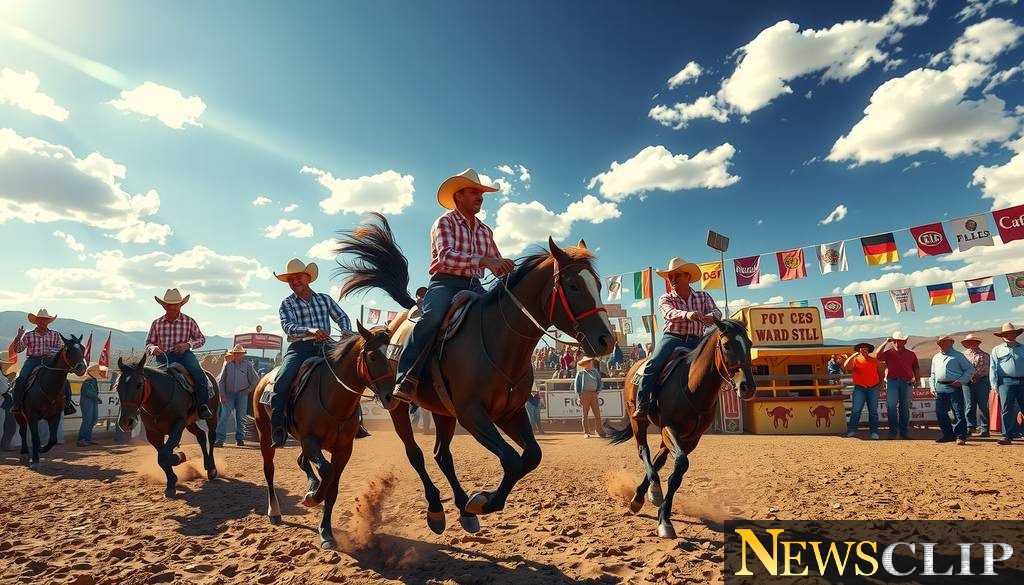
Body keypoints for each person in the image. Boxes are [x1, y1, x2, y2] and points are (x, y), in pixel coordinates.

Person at [393, 169, 513, 403]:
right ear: (458, 196)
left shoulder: (485, 231)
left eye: (481, 193)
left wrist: (508, 271)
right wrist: (484, 261)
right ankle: (406, 376)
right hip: (444, 283)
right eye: (474, 192)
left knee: (500, 318)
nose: (480, 197)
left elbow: (496, 262)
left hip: (475, 285)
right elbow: (446, 256)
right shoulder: (444, 222)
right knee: (432, 318)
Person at [273, 258, 353, 448]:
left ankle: (356, 423)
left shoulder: (324, 299)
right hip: (300, 348)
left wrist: (346, 331)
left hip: (326, 345)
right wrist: (310, 331)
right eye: (290, 279)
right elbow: (288, 327)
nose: (294, 282)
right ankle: (278, 428)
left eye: (298, 277)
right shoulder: (287, 303)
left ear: (308, 278)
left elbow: (341, 316)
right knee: (282, 381)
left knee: (350, 372)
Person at [633, 258, 721, 418]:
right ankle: (643, 404)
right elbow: (669, 313)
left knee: (715, 365)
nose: (672, 279)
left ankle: (711, 406)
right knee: (653, 363)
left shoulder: (703, 296)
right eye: (670, 276)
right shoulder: (666, 298)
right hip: (672, 338)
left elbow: (717, 312)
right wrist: (688, 314)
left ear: (688, 277)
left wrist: (711, 317)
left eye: (677, 275)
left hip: (697, 340)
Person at [10, 309, 75, 416]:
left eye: (45, 320)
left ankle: (68, 404)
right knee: (21, 378)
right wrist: (19, 336)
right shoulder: (29, 335)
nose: (42, 322)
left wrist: (51, 352)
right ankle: (17, 404)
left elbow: (60, 349)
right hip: (33, 360)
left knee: (64, 380)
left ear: (48, 322)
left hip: (50, 360)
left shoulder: (55, 334)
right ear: (36, 321)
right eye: (40, 320)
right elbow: (18, 349)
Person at [874, 331, 920, 440]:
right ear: (892, 341)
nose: (897, 343)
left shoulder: (911, 354)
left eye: (900, 341)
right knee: (891, 406)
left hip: (906, 382)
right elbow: (878, 355)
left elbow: (916, 368)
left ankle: (904, 432)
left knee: (904, 407)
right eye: (895, 341)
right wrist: (885, 342)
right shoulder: (888, 353)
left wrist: (917, 380)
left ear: (904, 341)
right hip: (892, 381)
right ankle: (893, 431)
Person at [930, 334, 974, 445]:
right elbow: (933, 374)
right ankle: (948, 434)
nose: (941, 345)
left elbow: (970, 369)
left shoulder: (958, 356)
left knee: (958, 412)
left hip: (954, 386)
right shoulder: (936, 357)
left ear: (951, 343)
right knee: (940, 412)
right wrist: (932, 386)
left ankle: (960, 436)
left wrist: (961, 381)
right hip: (940, 387)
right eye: (939, 343)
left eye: (944, 342)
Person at [215, 344, 259, 447]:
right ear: (233, 354)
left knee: (241, 417)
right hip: (229, 394)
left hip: (242, 394)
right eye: (236, 353)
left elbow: (255, 379)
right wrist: (222, 395)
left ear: (242, 354)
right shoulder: (227, 365)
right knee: (224, 416)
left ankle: (240, 439)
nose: (238, 355)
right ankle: (220, 439)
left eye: (240, 353)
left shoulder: (247, 365)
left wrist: (248, 390)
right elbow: (221, 381)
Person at [990, 323, 1024, 445]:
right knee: (1006, 409)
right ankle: (1007, 435)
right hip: (1005, 382)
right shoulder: (996, 350)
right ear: (1002, 336)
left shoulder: (1023, 348)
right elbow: (993, 368)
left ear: (1016, 334)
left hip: (1023, 381)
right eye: (1006, 334)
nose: (1009, 335)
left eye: (1011, 333)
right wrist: (994, 385)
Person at [843, 342, 882, 439]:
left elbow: (881, 373)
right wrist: (853, 355)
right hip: (860, 388)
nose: (863, 350)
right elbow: (845, 366)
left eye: (865, 348)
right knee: (856, 410)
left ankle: (874, 432)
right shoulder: (855, 360)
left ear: (868, 350)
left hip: (873, 387)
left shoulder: (874, 361)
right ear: (858, 350)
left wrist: (880, 385)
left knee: (873, 411)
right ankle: (852, 431)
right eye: (861, 348)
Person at [961, 334, 991, 438]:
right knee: (969, 405)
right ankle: (970, 427)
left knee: (983, 405)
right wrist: (968, 377)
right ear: (967, 344)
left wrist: (975, 377)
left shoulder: (984, 355)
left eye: (974, 342)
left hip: (981, 382)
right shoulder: (962, 355)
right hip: (967, 383)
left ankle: (985, 428)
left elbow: (985, 369)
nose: (972, 343)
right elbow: (961, 368)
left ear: (977, 343)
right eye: (970, 342)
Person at [574, 357, 604, 437]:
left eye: (590, 362)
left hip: (594, 394)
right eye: (589, 362)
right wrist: (579, 396)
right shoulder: (580, 373)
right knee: (585, 414)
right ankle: (586, 432)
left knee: (597, 414)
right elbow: (577, 386)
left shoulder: (595, 372)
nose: (590, 363)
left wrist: (597, 392)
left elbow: (600, 382)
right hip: (585, 394)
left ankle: (599, 431)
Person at [76, 364, 105, 447]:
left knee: (93, 419)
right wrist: (97, 398)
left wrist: (96, 398)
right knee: (88, 420)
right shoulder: (88, 381)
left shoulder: (91, 380)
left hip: (91, 401)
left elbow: (90, 392)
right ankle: (82, 439)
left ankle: (87, 438)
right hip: (88, 401)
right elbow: (89, 393)